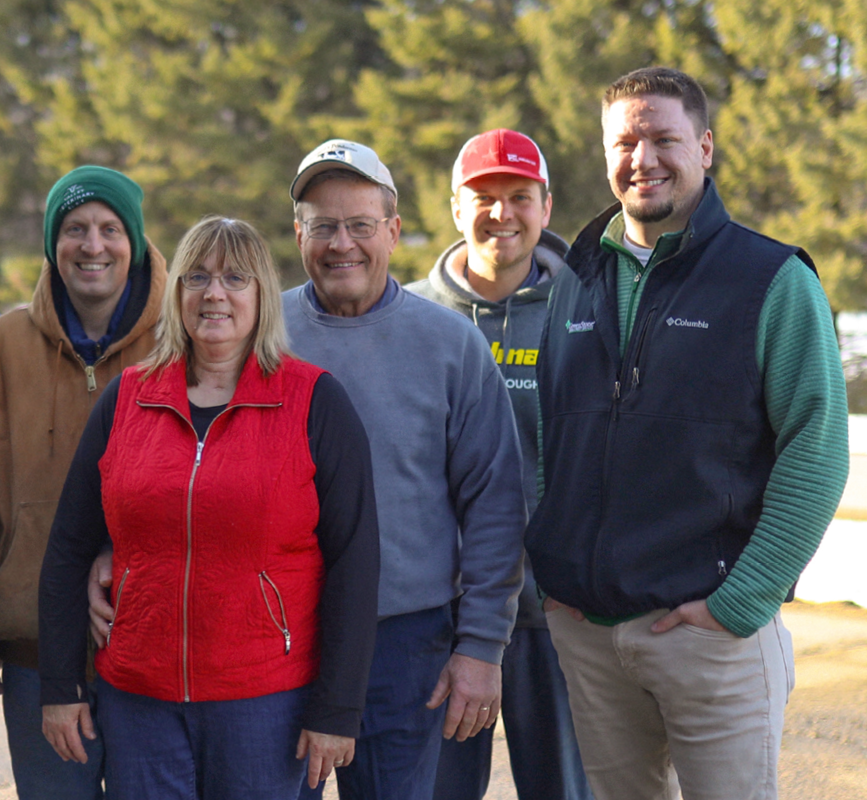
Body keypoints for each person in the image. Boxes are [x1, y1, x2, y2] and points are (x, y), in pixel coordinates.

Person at [528, 67, 849, 800]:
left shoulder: (770, 278)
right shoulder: (575, 279)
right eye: (625, 141)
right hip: (590, 629)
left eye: (664, 138)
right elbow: (555, 431)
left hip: (713, 634)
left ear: (705, 147)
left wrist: (741, 603)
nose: (643, 159)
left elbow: (817, 446)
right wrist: (556, 572)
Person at [39, 216, 380, 799]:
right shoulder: (128, 398)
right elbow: (70, 546)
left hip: (265, 702)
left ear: (262, 297)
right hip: (139, 700)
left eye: (235, 279)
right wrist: (60, 686)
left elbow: (355, 561)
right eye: (196, 277)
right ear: (176, 295)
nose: (214, 294)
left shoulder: (314, 400)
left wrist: (338, 709)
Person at [283, 140, 527, 799]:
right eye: (323, 225)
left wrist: (480, 647)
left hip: (409, 641)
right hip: (280, 640)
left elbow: (494, 505)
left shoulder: (451, 344)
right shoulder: (260, 337)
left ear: (392, 231)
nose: (342, 244)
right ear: (298, 232)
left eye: (360, 225)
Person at [0, 165, 166, 799]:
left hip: (163, 649)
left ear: (137, 240)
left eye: (111, 229)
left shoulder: (189, 340)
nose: (93, 245)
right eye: (74, 229)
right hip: (36, 649)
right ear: (50, 243)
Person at [408, 129, 591, 800]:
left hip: (561, 614)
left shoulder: (593, 316)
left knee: (567, 789)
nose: (502, 213)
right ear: (456, 206)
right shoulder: (408, 316)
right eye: (484, 197)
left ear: (546, 206)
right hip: (440, 616)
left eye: (519, 196)